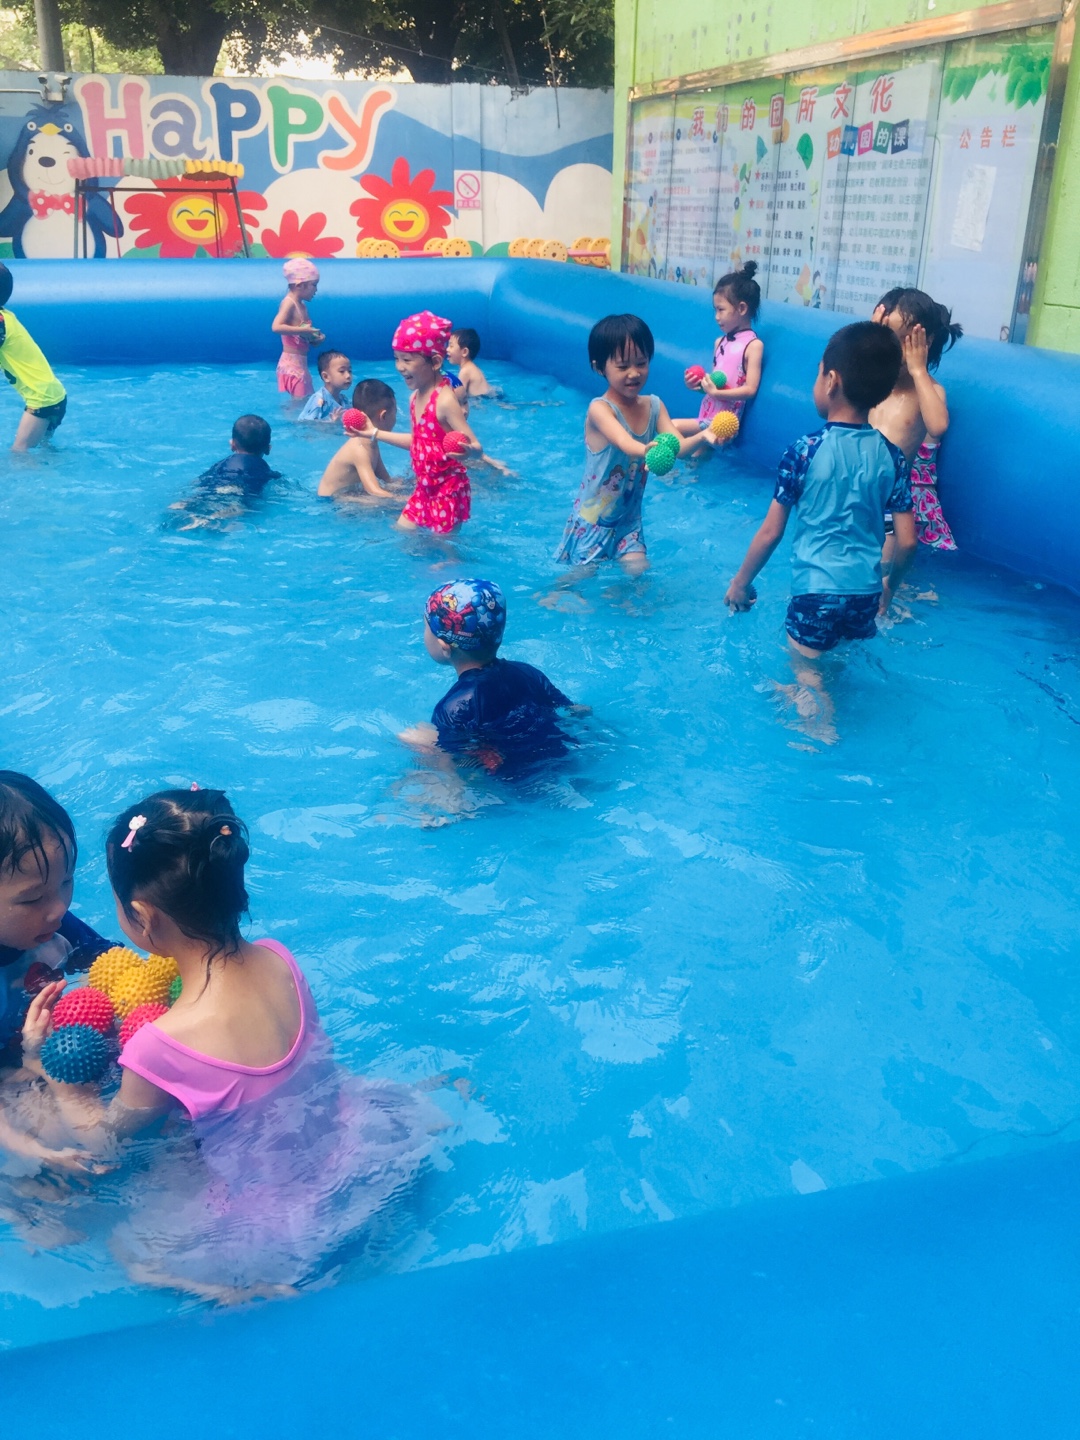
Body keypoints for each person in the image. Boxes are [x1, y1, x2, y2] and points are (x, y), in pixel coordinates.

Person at [20, 787, 439, 1300]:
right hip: (355, 1146)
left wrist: (55, 1075)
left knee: (132, 1255)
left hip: (273, 1214)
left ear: (143, 917)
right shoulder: (280, 959)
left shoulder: (160, 1045)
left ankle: (240, 1289)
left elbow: (104, 1142)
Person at [723, 322, 915, 742]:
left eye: (817, 374)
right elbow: (907, 541)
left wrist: (740, 583)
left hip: (815, 591)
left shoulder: (804, 451)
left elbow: (771, 531)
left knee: (806, 672)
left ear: (832, 381)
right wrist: (889, 588)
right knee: (840, 661)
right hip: (865, 592)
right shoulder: (892, 456)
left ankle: (819, 726)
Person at [0, 771, 110, 1171]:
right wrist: (33, 1151)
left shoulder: (57, 925)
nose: (59, 908)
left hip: (64, 1051)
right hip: (12, 1076)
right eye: (32, 899)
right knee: (45, 1125)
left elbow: (111, 969)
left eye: (66, 882)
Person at [555, 313, 714, 574]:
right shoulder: (600, 409)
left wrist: (704, 436)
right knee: (578, 582)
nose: (634, 373)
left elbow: (679, 449)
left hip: (628, 522)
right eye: (622, 366)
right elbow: (624, 442)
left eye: (641, 363)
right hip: (593, 521)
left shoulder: (654, 406)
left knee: (638, 574)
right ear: (600, 367)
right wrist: (646, 450)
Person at [399, 579, 584, 775]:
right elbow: (575, 712)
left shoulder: (454, 708)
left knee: (413, 745)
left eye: (425, 627)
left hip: (516, 781)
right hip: (566, 758)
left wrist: (425, 745)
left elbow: (452, 768)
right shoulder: (528, 672)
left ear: (444, 647)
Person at [355, 310, 481, 534]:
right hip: (423, 488)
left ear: (435, 362)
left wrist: (467, 451)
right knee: (401, 533)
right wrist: (373, 433)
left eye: (407, 360)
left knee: (443, 548)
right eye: (396, 358)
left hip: (447, 491)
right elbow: (417, 441)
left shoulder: (444, 401)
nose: (399, 366)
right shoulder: (414, 398)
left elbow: (477, 448)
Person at [870, 287, 963, 552]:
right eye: (885, 337)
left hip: (889, 497)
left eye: (903, 341)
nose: (891, 349)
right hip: (856, 486)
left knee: (883, 567)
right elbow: (829, 402)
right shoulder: (870, 380)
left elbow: (938, 426)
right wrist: (867, 342)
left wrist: (918, 371)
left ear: (925, 343)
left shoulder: (928, 390)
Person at [672, 261, 764, 440]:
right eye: (715, 310)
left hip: (723, 423)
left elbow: (750, 389)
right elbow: (718, 383)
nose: (716, 317)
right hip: (707, 414)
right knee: (694, 455)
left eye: (721, 310)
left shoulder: (753, 345)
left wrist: (716, 393)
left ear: (742, 308)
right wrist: (698, 386)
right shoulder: (720, 342)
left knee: (672, 426)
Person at [0, 261, 67, 451]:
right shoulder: (5, 316)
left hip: (43, 400)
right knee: (45, 450)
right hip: (55, 395)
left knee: (19, 452)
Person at [317, 379, 399, 502]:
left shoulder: (370, 441)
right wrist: (405, 500)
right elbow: (374, 491)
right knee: (376, 503)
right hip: (330, 502)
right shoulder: (359, 449)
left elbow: (387, 480)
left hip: (345, 495)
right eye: (395, 413)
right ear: (383, 416)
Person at [272, 258, 325, 399]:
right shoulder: (289, 303)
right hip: (291, 366)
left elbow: (301, 337)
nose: (316, 290)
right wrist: (303, 331)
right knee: (299, 403)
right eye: (314, 285)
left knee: (305, 400)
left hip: (300, 364)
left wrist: (315, 338)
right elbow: (276, 327)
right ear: (300, 285)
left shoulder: (302, 305)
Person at [297, 350, 353, 423]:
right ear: (326, 377)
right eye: (342, 371)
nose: (348, 376)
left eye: (349, 371)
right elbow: (309, 424)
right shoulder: (319, 400)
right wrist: (332, 422)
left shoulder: (344, 400)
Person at [447, 327, 496, 398]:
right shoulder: (472, 367)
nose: (447, 349)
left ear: (464, 352)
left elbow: (459, 396)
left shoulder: (465, 371)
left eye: (451, 346)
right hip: (489, 396)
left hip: (481, 400)